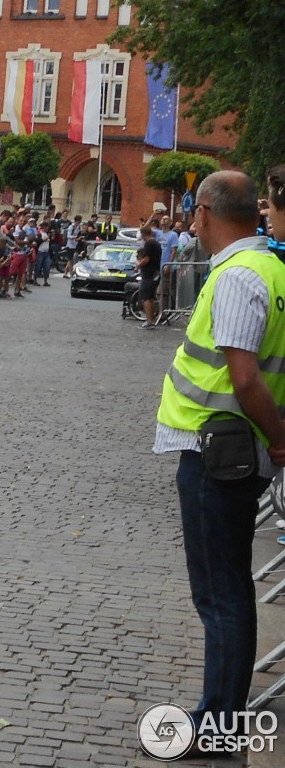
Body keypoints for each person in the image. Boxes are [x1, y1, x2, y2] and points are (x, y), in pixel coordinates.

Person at [154, 171, 285, 746]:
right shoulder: (275, 269)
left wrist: (279, 440)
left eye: (192, 210)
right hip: (235, 448)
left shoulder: (237, 275)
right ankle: (220, 711)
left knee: (220, 594)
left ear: (204, 212)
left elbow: (243, 374)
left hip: (218, 451)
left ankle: (220, 726)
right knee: (228, 589)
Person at [135, 224, 162, 328]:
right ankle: (152, 320)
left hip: (149, 274)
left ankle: (149, 321)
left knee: (145, 297)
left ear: (142, 234)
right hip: (155, 273)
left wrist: (138, 266)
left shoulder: (149, 244)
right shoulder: (156, 243)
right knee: (150, 297)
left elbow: (146, 259)